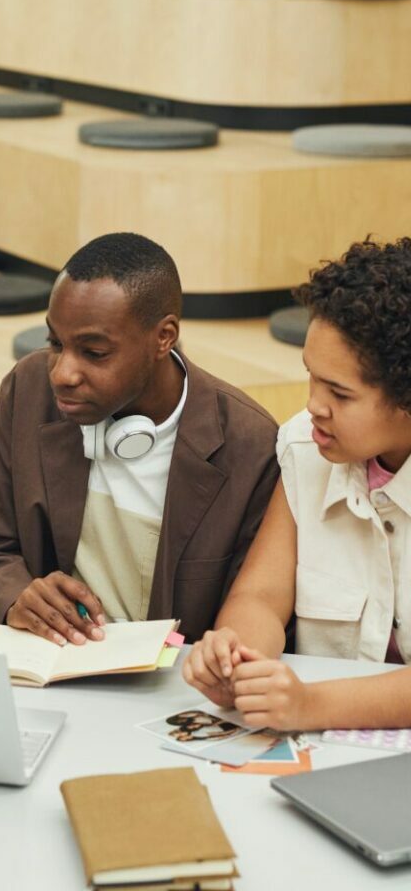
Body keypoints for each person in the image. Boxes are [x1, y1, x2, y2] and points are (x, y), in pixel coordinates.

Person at [0, 232, 279, 646]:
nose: (62, 373)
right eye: (55, 342)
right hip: (50, 667)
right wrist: (16, 596)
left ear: (164, 337)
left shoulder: (249, 445)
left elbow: (256, 615)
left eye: (94, 353)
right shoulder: (28, 391)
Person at [184, 238, 411, 731]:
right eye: (311, 377)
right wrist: (236, 654)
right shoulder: (304, 449)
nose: (314, 405)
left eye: (340, 393)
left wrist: (312, 706)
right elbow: (261, 596)